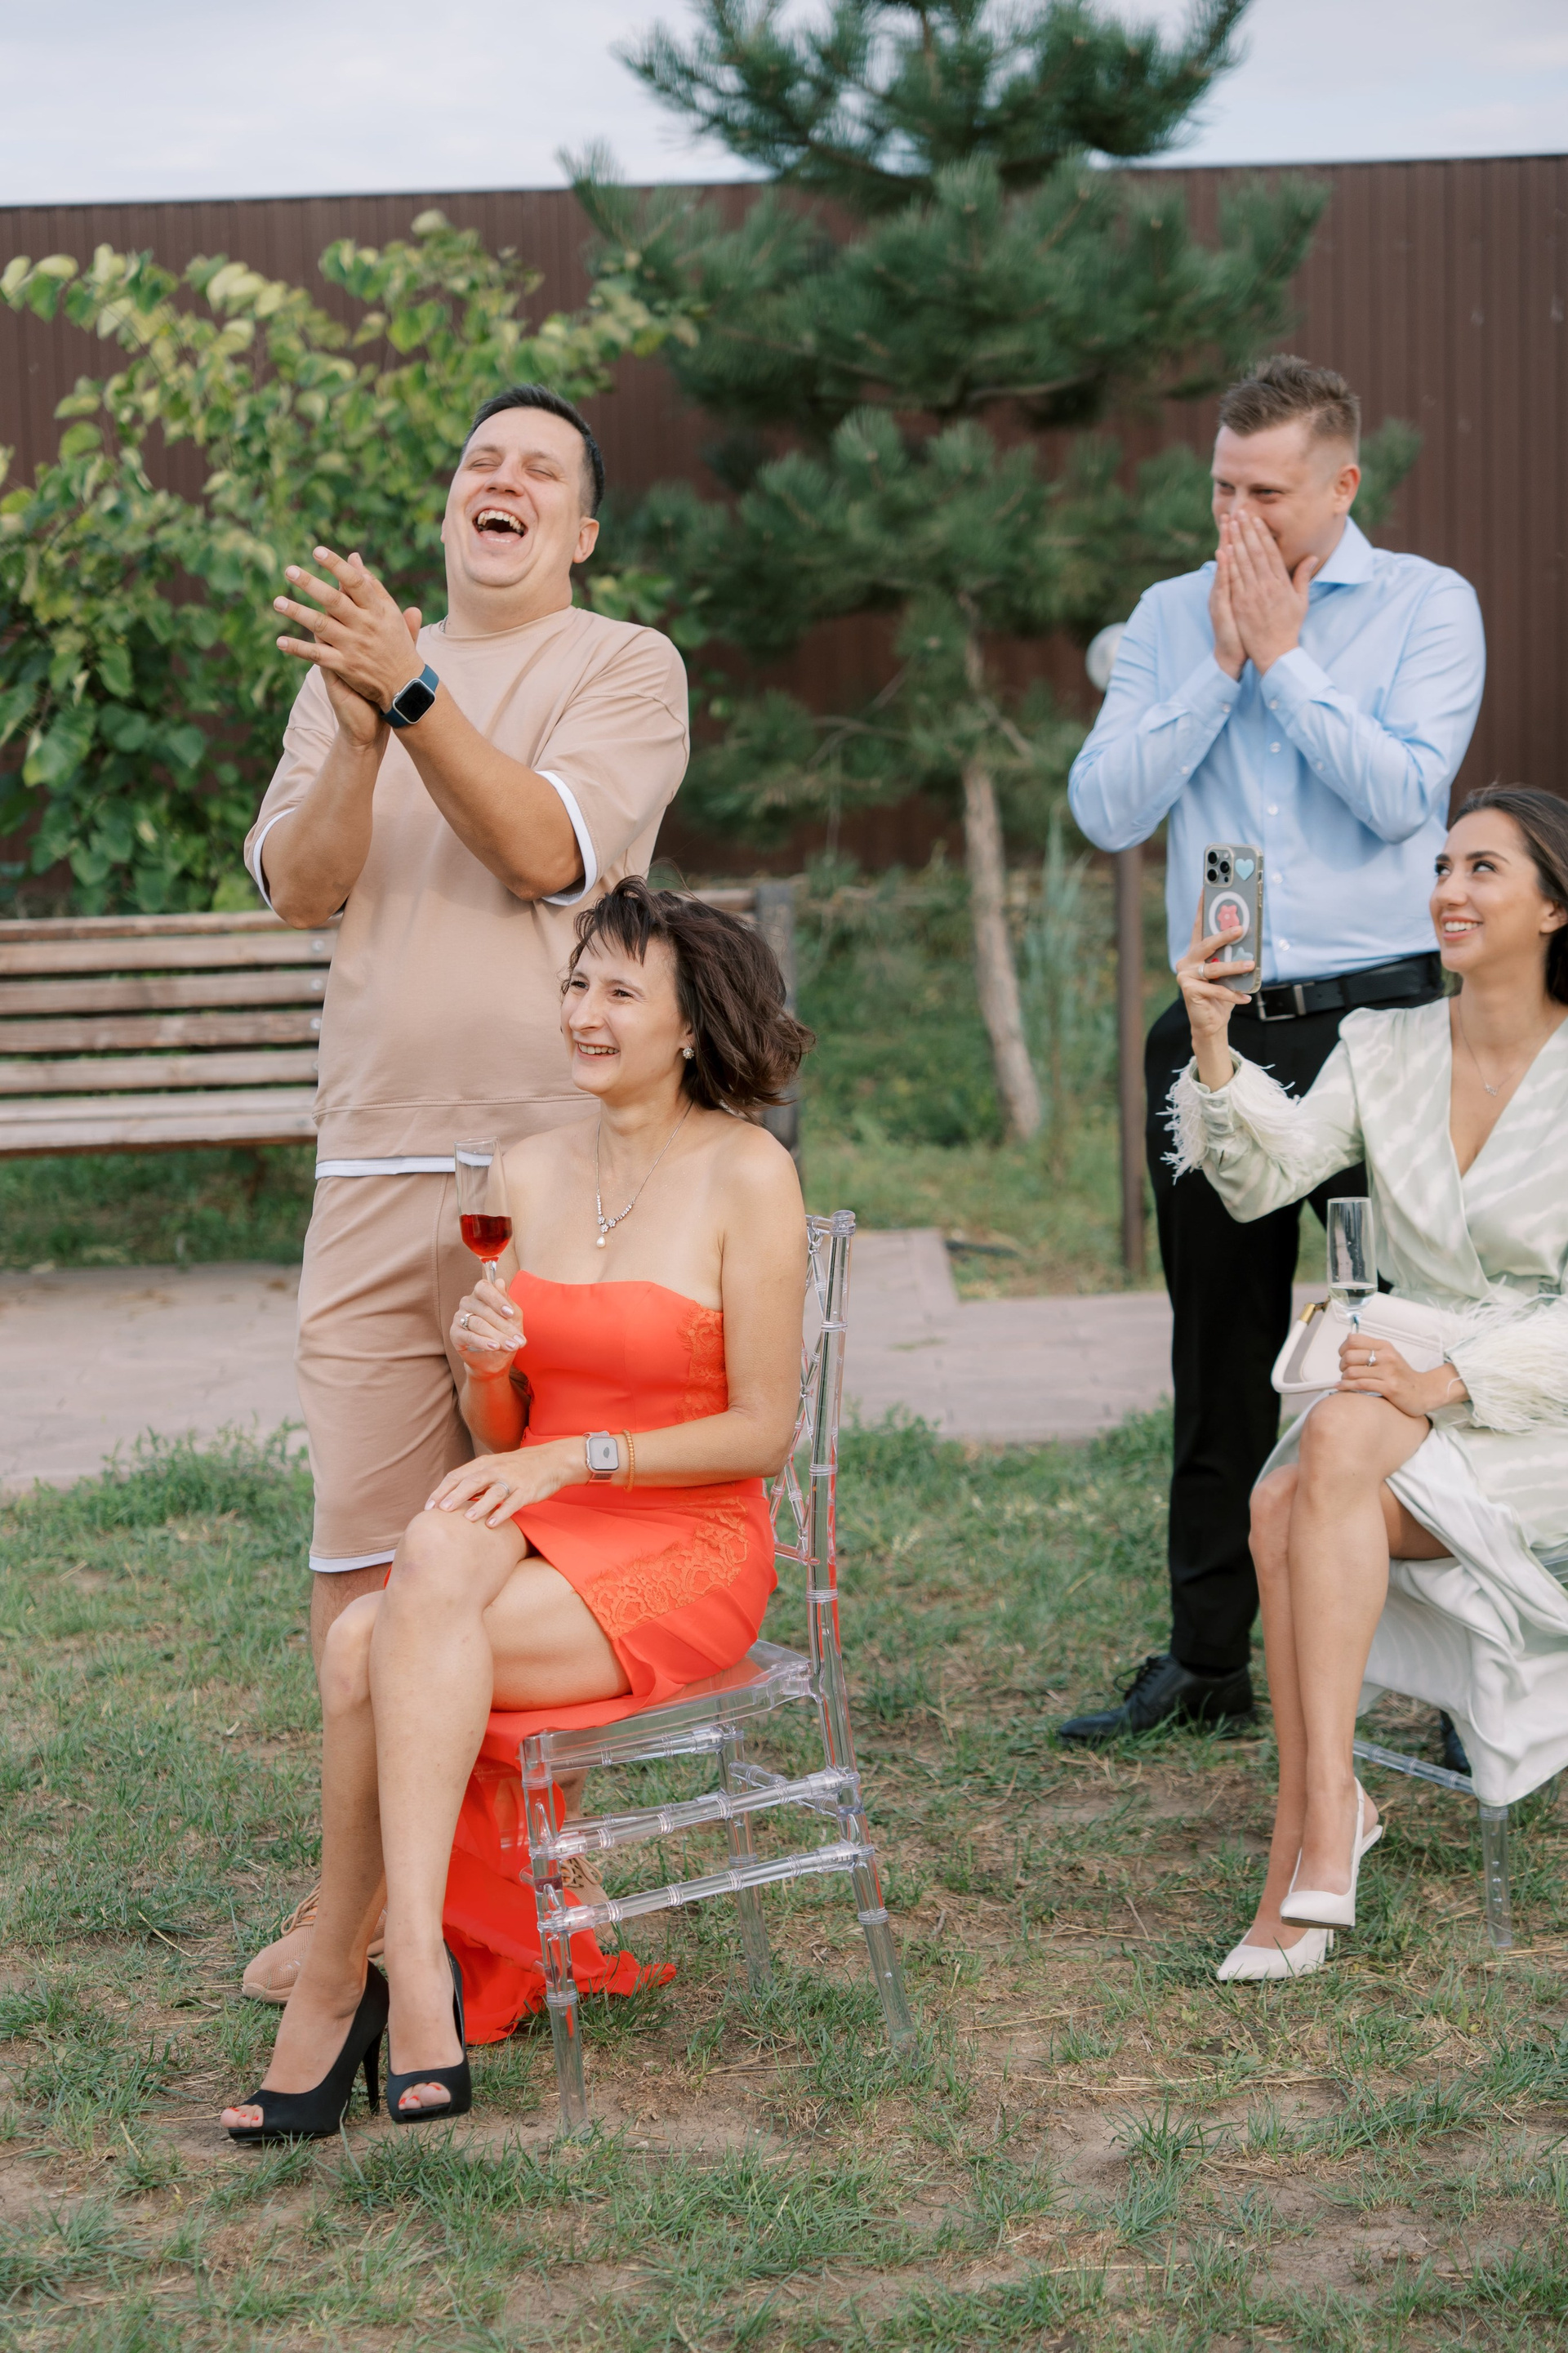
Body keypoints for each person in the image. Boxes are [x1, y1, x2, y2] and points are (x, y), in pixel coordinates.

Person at [221, 880, 812, 2136]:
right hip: (539, 1522)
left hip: (689, 1538)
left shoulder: (750, 1174)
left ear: (690, 1025)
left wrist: (574, 1457)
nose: (584, 1012)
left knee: (364, 1643)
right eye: (576, 983)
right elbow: (501, 1433)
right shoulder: (525, 1171)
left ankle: (347, 1977)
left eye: (619, 991)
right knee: (426, 1556)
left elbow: (764, 1429)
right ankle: (405, 1963)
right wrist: (486, 1365)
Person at [239, 385, 689, 2000]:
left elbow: (547, 854)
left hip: (556, 1161)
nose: (504, 479)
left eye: (540, 469)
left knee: (533, 1536)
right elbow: (303, 887)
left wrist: (412, 691)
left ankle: (529, 1882)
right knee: (365, 1551)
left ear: (581, 529)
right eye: (480, 461)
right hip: (371, 1155)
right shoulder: (361, 671)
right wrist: (361, 730)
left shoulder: (623, 664)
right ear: (451, 506)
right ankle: (353, 1910)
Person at [1062, 354, 1486, 1745]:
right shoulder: (1167, 618)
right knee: (1219, 1340)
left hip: (1389, 1029)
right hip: (1220, 1030)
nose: (1236, 518)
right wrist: (1223, 664)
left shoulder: (1427, 605)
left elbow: (1403, 798)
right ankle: (1206, 1658)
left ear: (1342, 484)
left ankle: (1444, 1668)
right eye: (1221, 489)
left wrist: (1289, 661)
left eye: (1268, 493)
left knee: (1401, 1334)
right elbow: (1108, 809)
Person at [1166, 787, 1568, 1979]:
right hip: (1396, 1386)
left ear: (1554, 906)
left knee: (1290, 1495)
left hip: (1535, 1405)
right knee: (1302, 1479)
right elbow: (1261, 1179)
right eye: (1442, 866)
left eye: (1483, 869)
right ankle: (1324, 1815)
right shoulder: (1383, 1045)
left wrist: (1445, 1378)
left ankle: (1317, 1828)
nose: (1448, 890)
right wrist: (1212, 1042)